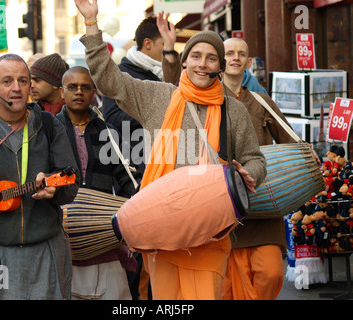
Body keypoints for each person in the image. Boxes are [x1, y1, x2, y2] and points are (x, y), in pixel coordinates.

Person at [74, 0, 267, 300]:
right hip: (161, 231)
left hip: (211, 232)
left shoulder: (234, 111)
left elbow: (255, 159)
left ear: (220, 66)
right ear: (185, 60)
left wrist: (247, 173)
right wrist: (91, 24)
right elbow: (109, 81)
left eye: (212, 58)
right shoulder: (158, 97)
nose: (203, 64)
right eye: (197, 56)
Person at [0, 53, 80, 300]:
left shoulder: (50, 126)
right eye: (7, 81)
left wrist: (55, 190)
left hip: (45, 253)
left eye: (23, 80)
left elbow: (71, 183)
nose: (16, 88)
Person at [102, 11, 178, 300]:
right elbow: (115, 118)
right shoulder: (123, 75)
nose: (168, 51)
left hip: (168, 177)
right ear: (148, 44)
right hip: (136, 179)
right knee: (141, 260)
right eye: (164, 45)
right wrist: (159, 117)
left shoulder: (162, 73)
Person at [220, 37, 296, 300]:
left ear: (249, 62)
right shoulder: (208, 102)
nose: (235, 58)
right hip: (225, 207)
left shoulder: (262, 102)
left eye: (241, 54)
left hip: (263, 203)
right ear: (220, 59)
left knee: (271, 272)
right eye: (229, 53)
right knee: (228, 284)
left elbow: (291, 142)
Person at [56, 66, 140, 300]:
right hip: (60, 238)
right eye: (72, 87)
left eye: (85, 87)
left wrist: (144, 197)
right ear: (62, 92)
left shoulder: (108, 131)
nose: (79, 92)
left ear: (95, 92)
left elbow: (127, 175)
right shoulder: (50, 130)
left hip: (102, 236)